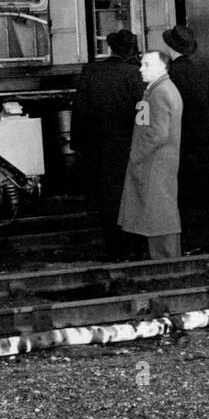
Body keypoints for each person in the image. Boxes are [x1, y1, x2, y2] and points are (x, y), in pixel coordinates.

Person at [73, 29, 145, 260]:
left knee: (106, 198)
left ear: (110, 48)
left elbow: (80, 111)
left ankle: (112, 248)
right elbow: (142, 114)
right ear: (131, 50)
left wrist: (79, 144)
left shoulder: (90, 71)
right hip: (127, 147)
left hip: (98, 148)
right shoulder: (135, 75)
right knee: (130, 196)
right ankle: (131, 246)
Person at [118, 51, 184, 260]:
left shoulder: (160, 92)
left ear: (161, 68)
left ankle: (166, 259)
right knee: (157, 210)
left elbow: (158, 133)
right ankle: (164, 257)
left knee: (160, 211)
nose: (141, 69)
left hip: (155, 161)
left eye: (146, 65)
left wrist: (136, 154)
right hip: (156, 160)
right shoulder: (158, 89)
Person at [162, 24, 209, 232]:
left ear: (171, 48)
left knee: (186, 191)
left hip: (182, 140)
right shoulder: (204, 67)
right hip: (205, 137)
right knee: (205, 189)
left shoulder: (171, 73)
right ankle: (208, 236)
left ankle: (192, 236)